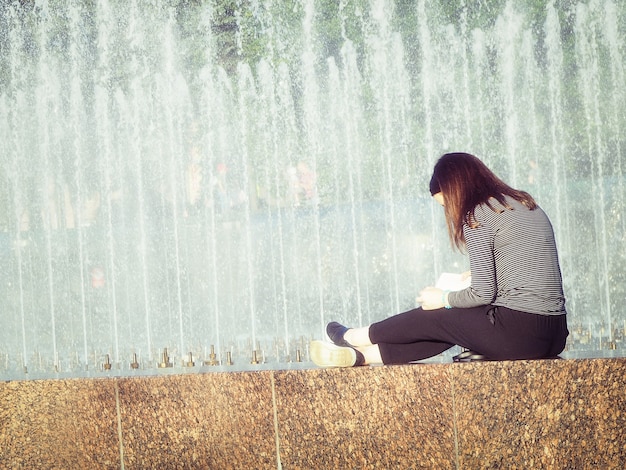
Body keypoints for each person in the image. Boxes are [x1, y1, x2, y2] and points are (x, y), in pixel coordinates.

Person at [310, 152, 569, 367]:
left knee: (438, 314)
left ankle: (353, 336)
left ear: (457, 191)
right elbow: (530, 270)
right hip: (554, 334)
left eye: (446, 205)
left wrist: (442, 298)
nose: (450, 212)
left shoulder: (477, 214)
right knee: (451, 325)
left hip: (518, 334)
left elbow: (483, 293)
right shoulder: (523, 203)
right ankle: (362, 356)